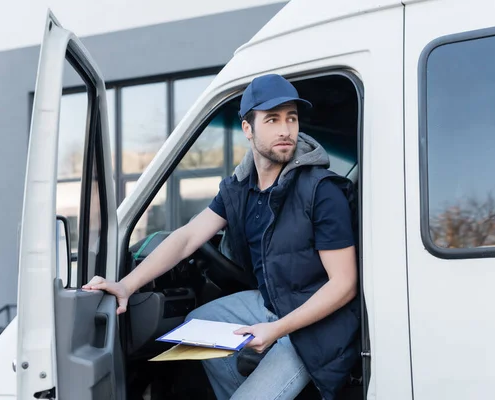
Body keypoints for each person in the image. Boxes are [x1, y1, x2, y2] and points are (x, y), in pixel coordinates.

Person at [84, 74, 360, 400]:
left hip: (318, 325)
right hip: (275, 302)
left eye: (292, 118)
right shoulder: (240, 190)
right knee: (197, 329)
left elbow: (345, 284)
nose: (286, 129)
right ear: (248, 129)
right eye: (272, 119)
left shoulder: (320, 190)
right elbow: (187, 237)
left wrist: (276, 330)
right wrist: (126, 285)